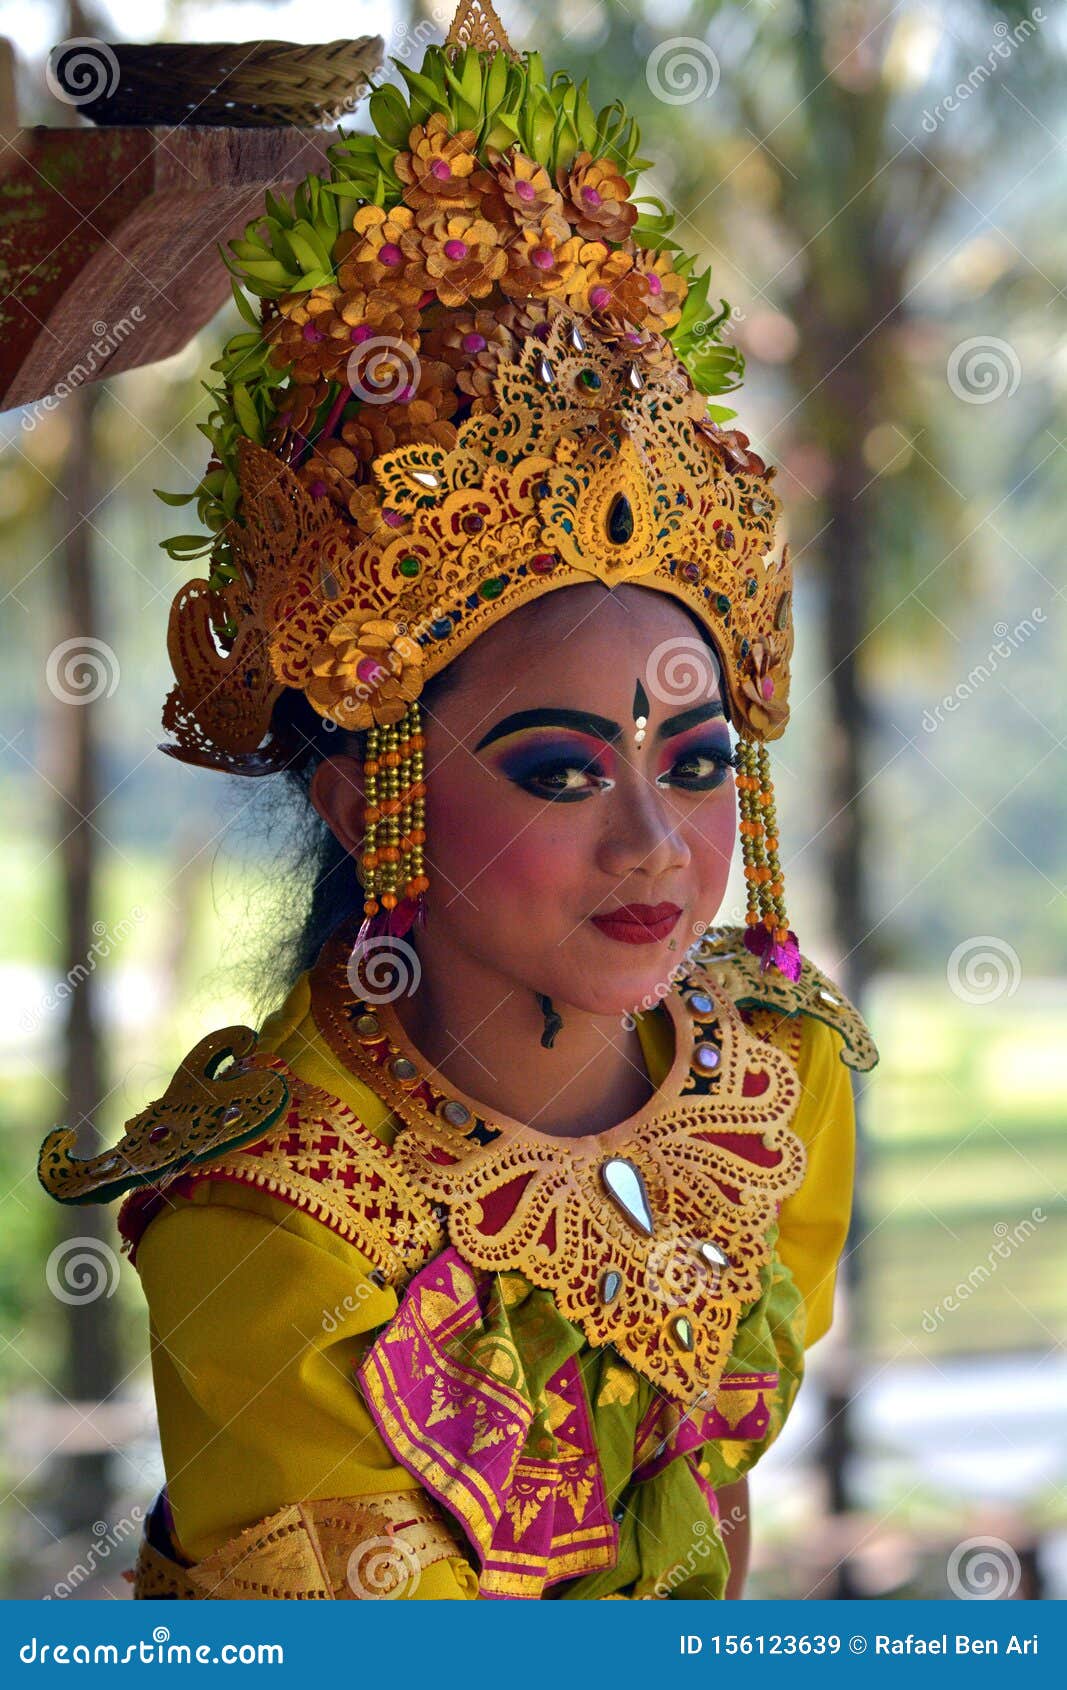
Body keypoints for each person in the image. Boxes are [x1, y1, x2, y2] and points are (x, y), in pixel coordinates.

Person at [37, 0, 877, 1601]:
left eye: (696, 762)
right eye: (559, 769)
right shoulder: (274, 1229)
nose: (654, 843)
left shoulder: (777, 1082)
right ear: (366, 801)